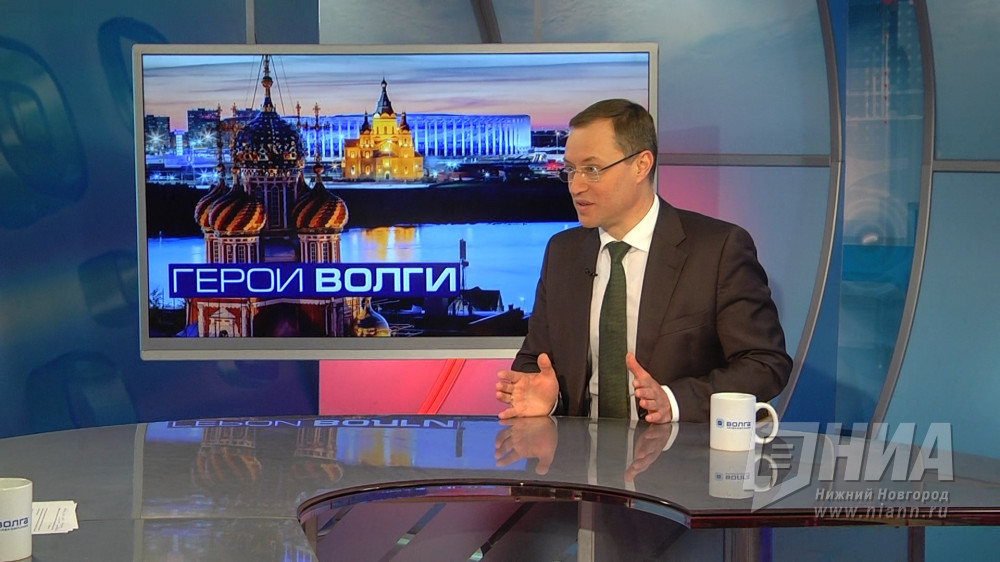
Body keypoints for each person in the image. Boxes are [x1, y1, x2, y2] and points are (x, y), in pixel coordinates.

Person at [496, 98, 791, 423]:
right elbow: (534, 360)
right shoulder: (562, 252)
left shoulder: (718, 249)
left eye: (592, 170)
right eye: (570, 170)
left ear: (641, 165)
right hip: (578, 452)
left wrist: (674, 402)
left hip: (681, 450)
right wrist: (547, 399)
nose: (576, 186)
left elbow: (765, 364)